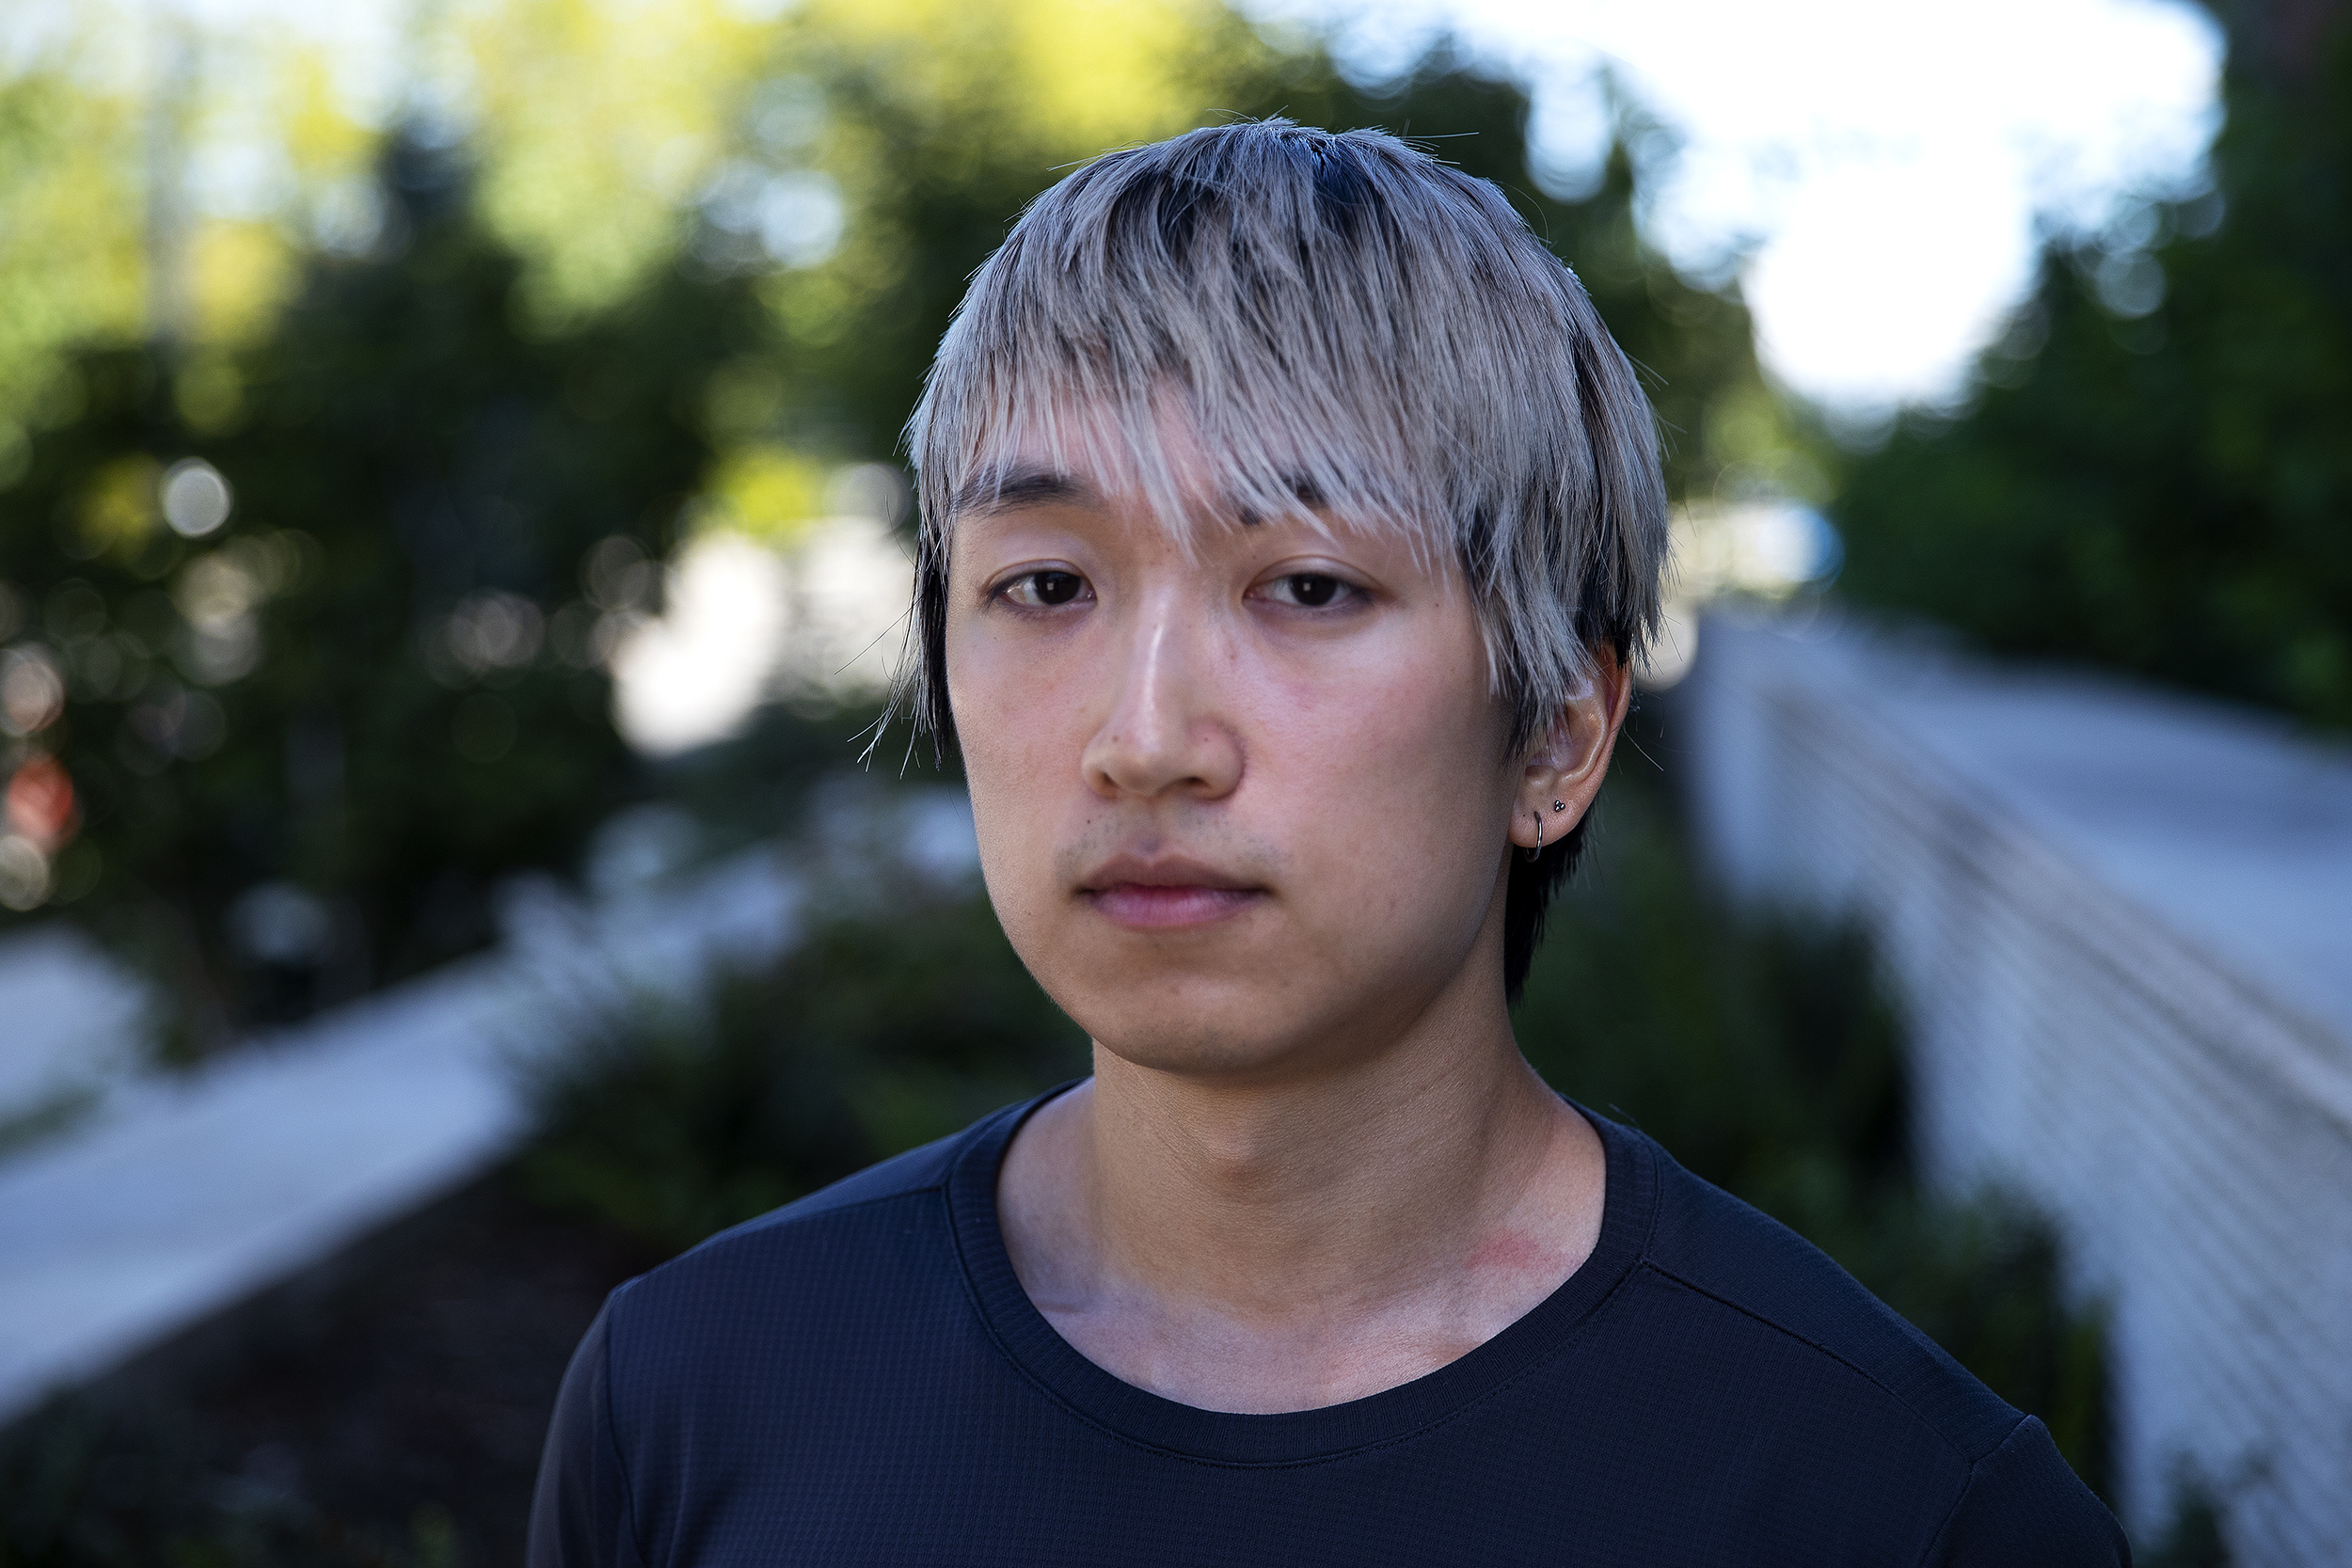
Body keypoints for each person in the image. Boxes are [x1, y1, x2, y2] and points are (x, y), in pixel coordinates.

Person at [529, 120, 2126, 1565]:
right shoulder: (695, 1395)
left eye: (1307, 587)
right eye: (1046, 586)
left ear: (1560, 734)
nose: (1145, 737)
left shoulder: (1894, 1507)